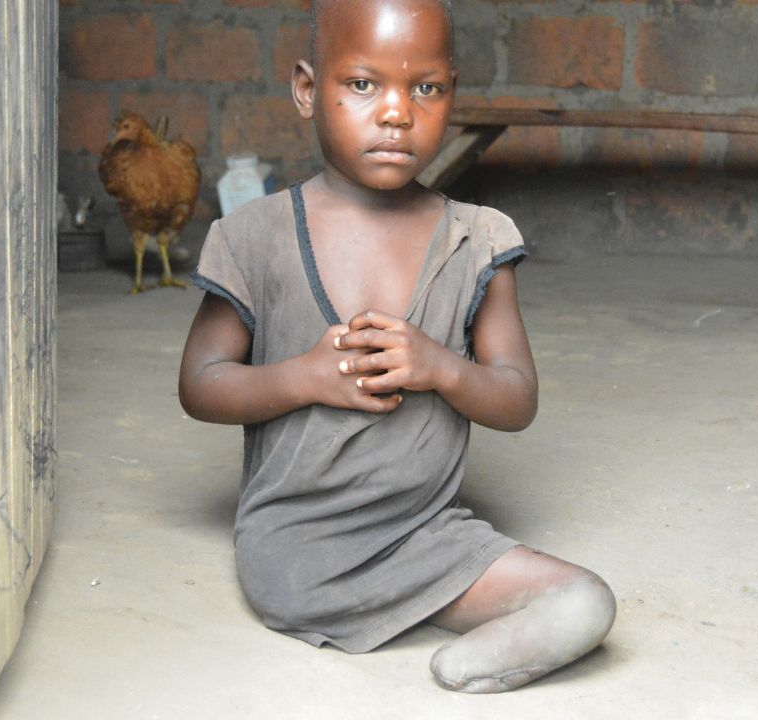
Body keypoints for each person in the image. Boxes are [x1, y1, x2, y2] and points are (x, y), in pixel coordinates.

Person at [178, 0, 616, 693]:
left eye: (426, 87)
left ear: (452, 93)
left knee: (588, 600)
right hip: (301, 544)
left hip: (430, 533)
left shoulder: (478, 239)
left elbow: (517, 398)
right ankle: (424, 619)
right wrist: (306, 377)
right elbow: (201, 383)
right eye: (362, 84)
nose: (396, 113)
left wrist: (441, 366)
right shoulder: (254, 236)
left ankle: (466, 660)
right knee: (292, 584)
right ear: (305, 89)